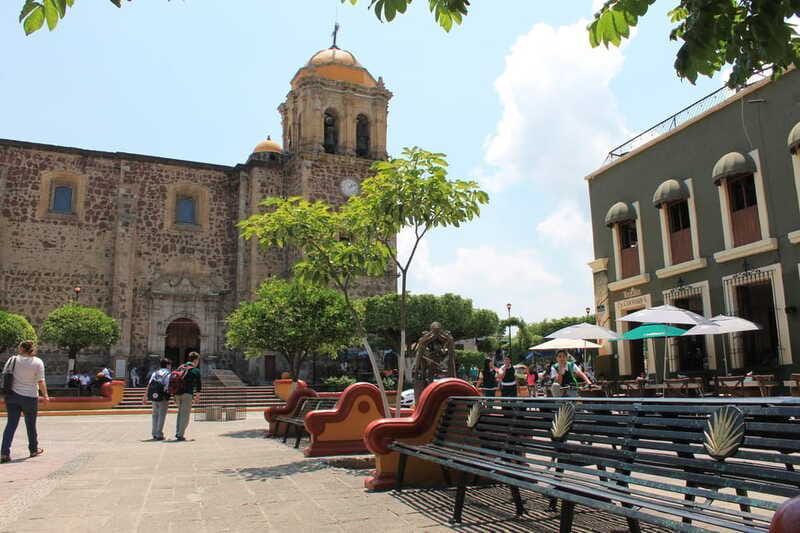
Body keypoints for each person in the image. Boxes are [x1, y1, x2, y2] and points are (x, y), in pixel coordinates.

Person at [1, 340, 49, 463]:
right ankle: (33, 449)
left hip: (12, 396)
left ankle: (4, 453)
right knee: (31, 424)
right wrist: (45, 396)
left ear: (22, 348)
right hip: (30, 397)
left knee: (11, 424)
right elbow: (40, 381)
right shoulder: (38, 362)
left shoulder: (12, 360)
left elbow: (5, 375)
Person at [174, 352, 202, 441]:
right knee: (185, 415)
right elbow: (198, 385)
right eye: (198, 360)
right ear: (195, 360)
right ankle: (180, 434)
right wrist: (197, 396)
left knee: (180, 413)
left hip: (177, 394)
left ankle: (178, 431)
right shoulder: (195, 370)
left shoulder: (180, 367)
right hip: (187, 394)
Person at [142, 359, 171, 441]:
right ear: (168, 365)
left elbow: (150, 384)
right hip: (163, 397)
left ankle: (154, 433)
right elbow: (168, 386)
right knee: (162, 415)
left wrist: (145, 396)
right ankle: (159, 434)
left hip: (154, 396)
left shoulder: (155, 373)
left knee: (155, 415)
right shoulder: (168, 373)